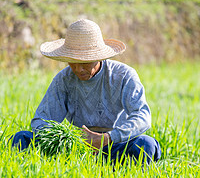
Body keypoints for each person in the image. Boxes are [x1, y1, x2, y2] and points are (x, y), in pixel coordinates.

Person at [11, 19, 161, 164]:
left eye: (84, 63)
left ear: (98, 57)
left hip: (114, 146)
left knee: (145, 144)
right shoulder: (63, 79)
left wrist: (108, 138)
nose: (78, 69)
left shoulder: (123, 75)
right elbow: (41, 120)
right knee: (21, 138)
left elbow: (142, 117)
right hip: (75, 148)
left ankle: (117, 167)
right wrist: (67, 140)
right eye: (73, 62)